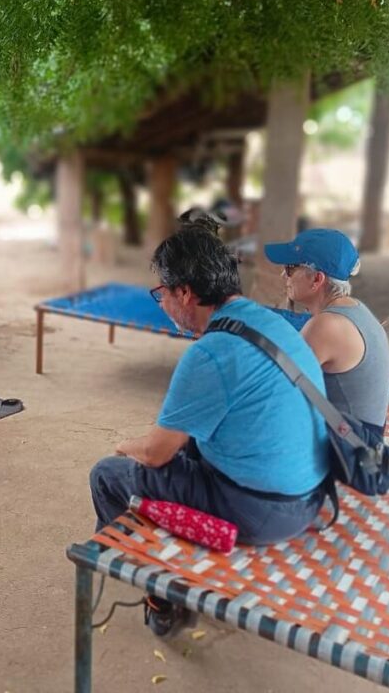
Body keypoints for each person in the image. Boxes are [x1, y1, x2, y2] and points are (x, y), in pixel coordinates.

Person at [88, 220, 330, 635]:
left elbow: (157, 453)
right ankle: (168, 556)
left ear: (185, 292)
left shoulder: (211, 353)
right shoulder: (267, 322)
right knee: (189, 446)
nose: (161, 302)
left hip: (262, 511)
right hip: (311, 495)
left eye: (161, 292)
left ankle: (160, 592)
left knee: (109, 475)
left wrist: (127, 445)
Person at [265, 229, 389, 433]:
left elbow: (274, 390)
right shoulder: (356, 310)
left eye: (290, 268)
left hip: (343, 454)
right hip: (360, 442)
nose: (283, 275)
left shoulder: (327, 326)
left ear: (317, 280)